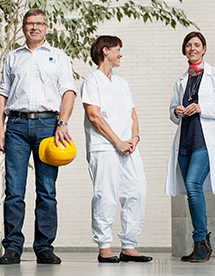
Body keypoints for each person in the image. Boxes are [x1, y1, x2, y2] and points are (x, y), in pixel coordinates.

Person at [0, 9, 76, 265]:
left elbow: (69, 92)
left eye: (39, 23)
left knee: (47, 191)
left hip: (48, 127)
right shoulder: (12, 57)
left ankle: (44, 247)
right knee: (14, 191)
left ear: (46, 27)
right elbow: (2, 96)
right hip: (17, 126)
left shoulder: (58, 57)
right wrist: (0, 128)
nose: (34, 28)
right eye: (30, 24)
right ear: (23, 27)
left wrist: (62, 122)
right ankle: (12, 248)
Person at [165, 32, 215, 262]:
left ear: (204, 48)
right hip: (185, 141)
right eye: (188, 45)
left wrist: (202, 108)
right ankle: (201, 243)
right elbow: (173, 112)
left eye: (196, 45)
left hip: (206, 141)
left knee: (194, 184)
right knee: (190, 191)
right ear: (184, 50)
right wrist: (176, 111)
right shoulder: (181, 80)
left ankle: (201, 243)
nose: (192, 48)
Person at [81, 36, 152, 263]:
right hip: (104, 147)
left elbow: (132, 114)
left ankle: (129, 245)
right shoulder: (92, 81)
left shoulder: (122, 83)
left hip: (128, 147)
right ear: (105, 51)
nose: (121, 54)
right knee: (106, 195)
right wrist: (117, 142)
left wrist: (134, 137)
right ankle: (104, 246)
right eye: (118, 50)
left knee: (136, 190)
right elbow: (94, 116)